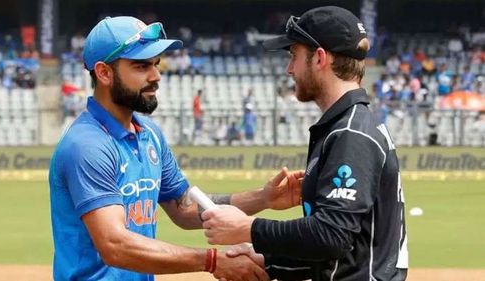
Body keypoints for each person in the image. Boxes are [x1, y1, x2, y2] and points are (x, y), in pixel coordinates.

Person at [49, 16, 304, 281]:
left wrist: (263, 198)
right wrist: (212, 261)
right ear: (104, 73)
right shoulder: (87, 145)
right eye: (141, 66)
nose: (156, 76)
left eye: (156, 64)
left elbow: (183, 209)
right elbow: (115, 245)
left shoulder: (149, 134)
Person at [201, 6, 408, 281]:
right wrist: (267, 260)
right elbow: (341, 252)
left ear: (319, 58)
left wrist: (248, 227)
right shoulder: (347, 126)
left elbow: (331, 236)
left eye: (293, 56)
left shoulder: (350, 133)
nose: (289, 69)